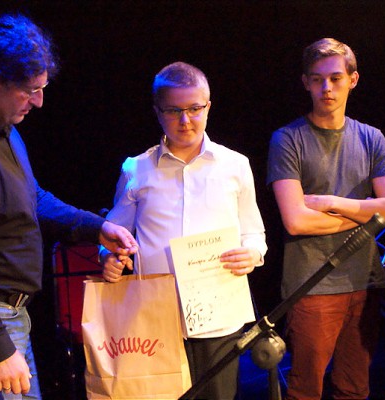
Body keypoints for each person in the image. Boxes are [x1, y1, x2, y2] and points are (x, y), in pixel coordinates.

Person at [0, 14, 137, 399]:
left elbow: (31, 198)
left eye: (42, 88)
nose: (39, 101)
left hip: (7, 314)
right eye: (30, 90)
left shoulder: (2, 131)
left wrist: (96, 228)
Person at [100, 62, 267, 399]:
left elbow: (255, 234)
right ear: (157, 112)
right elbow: (113, 235)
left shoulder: (235, 165)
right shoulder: (137, 168)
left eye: (194, 109)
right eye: (174, 111)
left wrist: (252, 254)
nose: (185, 120)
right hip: (154, 319)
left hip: (219, 318)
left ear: (208, 107)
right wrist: (109, 257)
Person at [266, 38, 385, 399]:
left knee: (354, 389)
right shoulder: (288, 139)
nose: (326, 87)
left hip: (364, 282)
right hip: (312, 284)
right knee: (305, 390)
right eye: (317, 79)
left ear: (352, 80)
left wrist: (330, 202)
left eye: (335, 78)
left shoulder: (372, 138)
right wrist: (367, 214)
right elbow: (296, 221)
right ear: (306, 83)